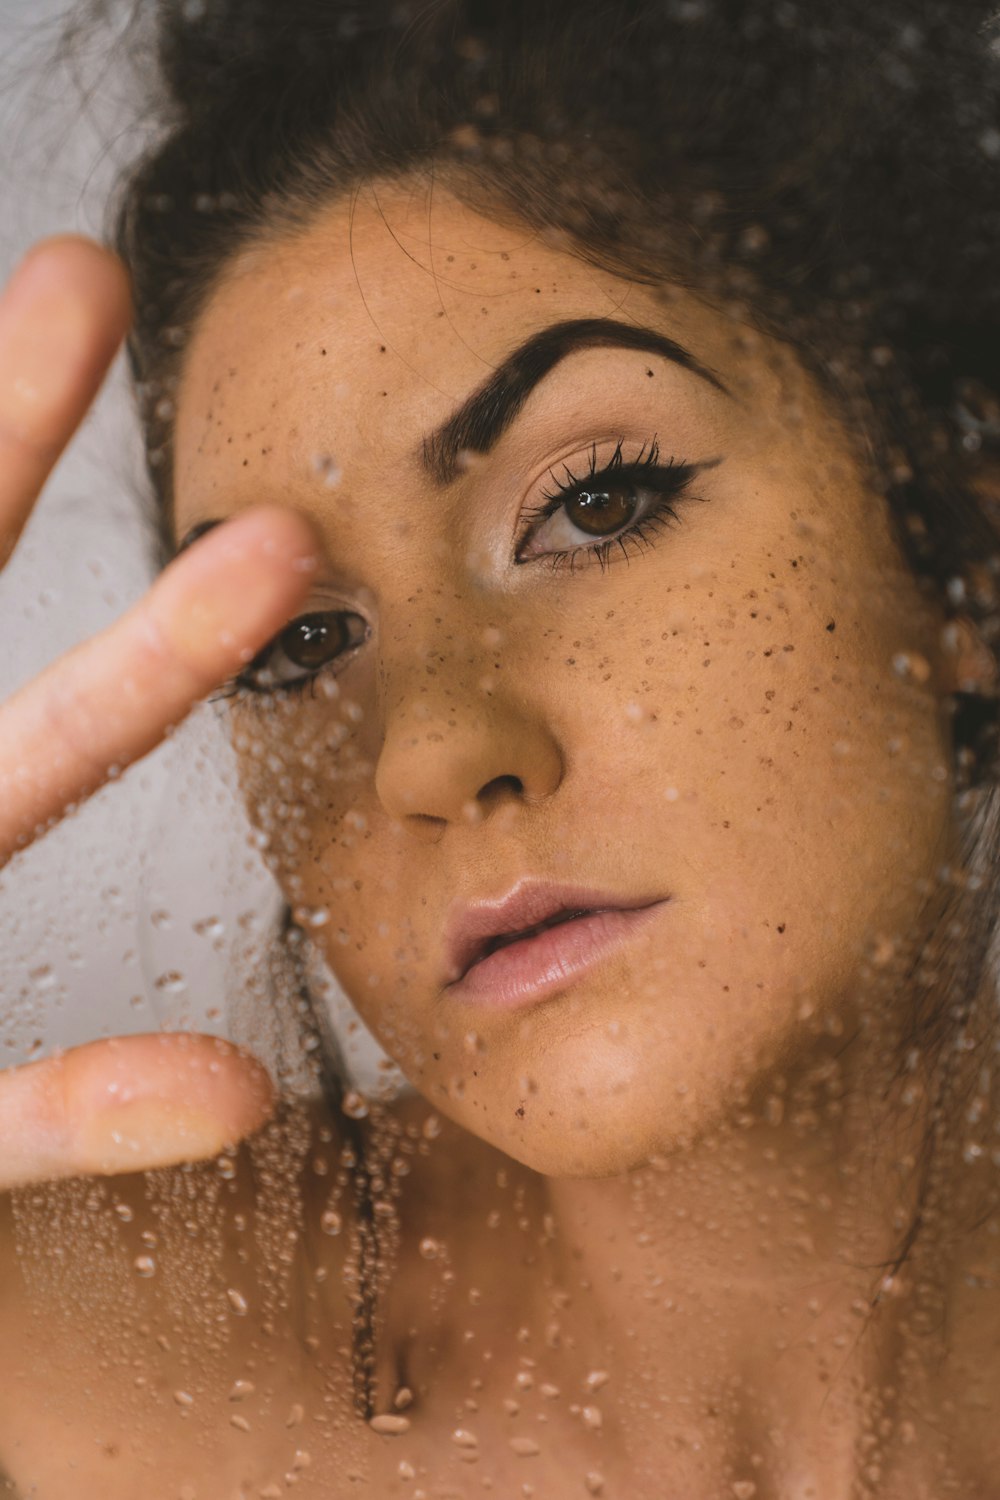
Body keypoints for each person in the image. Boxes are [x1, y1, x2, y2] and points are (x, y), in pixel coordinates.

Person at [0, 0, 998, 1493]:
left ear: (959, 539)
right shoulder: (64, 1366)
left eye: (596, 502)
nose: (431, 752)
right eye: (298, 641)